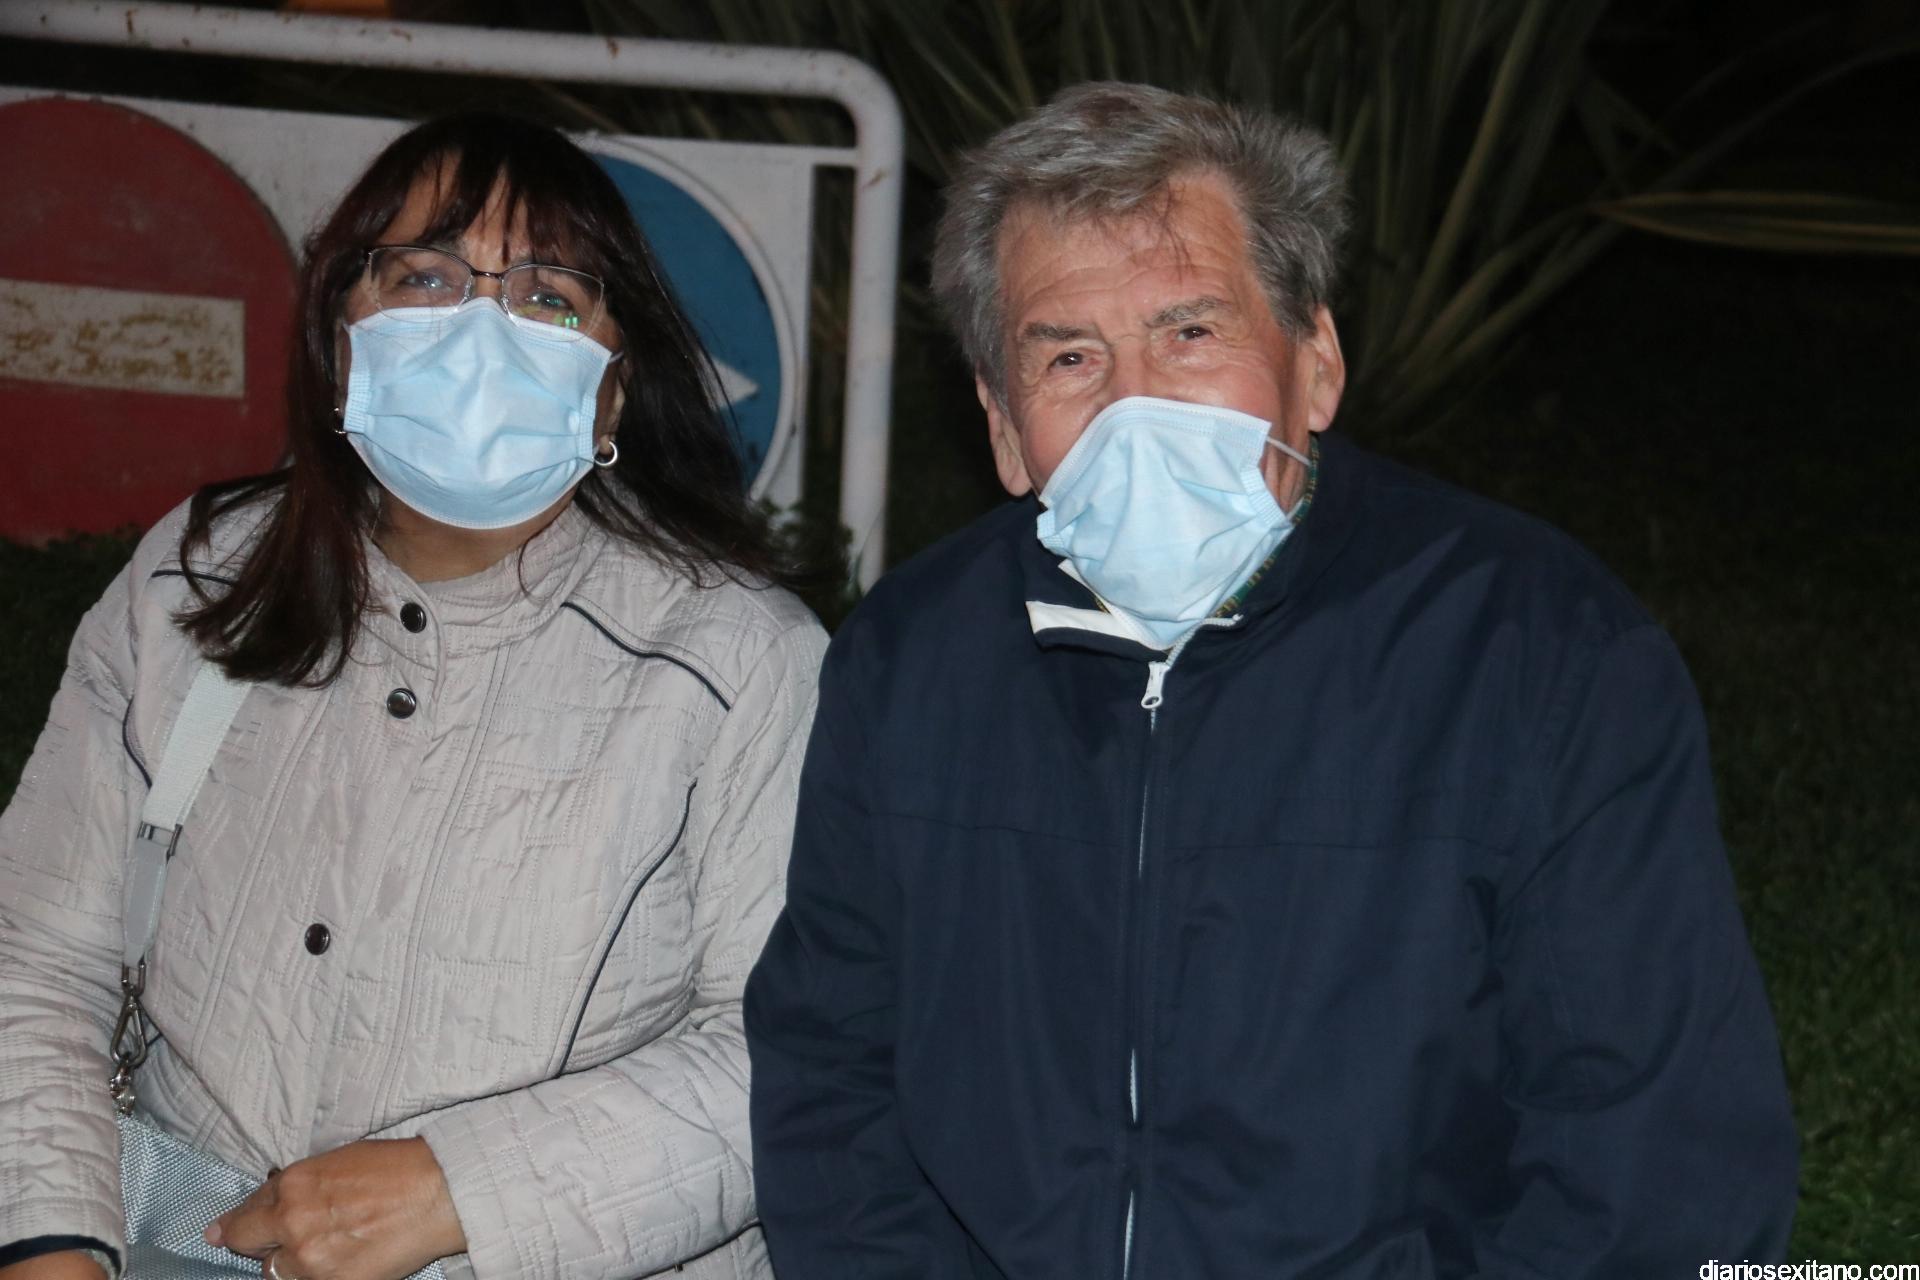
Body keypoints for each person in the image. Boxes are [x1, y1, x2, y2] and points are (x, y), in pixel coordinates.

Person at [745, 81, 1798, 1278]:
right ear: (999, 423)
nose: (1136, 405)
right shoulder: (912, 662)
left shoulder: (1540, 653)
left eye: (1191, 333)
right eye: (1072, 355)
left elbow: (1659, 1159)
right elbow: (831, 1075)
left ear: (1317, 364)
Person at [0, 112, 824, 1280]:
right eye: (425, 277)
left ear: (610, 395)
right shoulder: (197, 581)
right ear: (341, 343)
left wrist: (463, 1189)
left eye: (546, 296)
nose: (478, 329)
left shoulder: (742, 664)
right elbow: (38, 951)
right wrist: (51, 1246)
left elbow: (788, 1049)